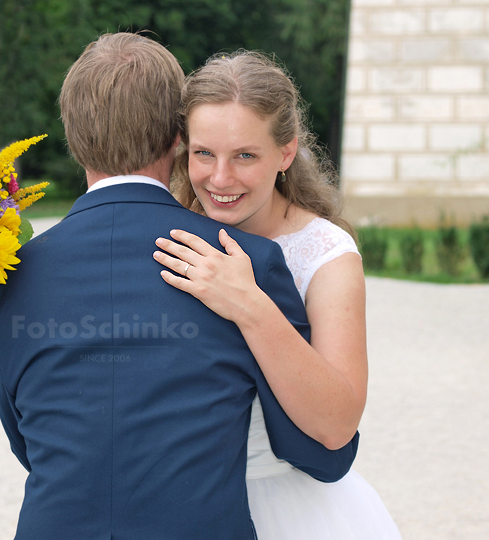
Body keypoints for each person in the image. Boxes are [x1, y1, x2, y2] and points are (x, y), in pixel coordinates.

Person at [0, 34, 358, 539]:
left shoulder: (3, 276)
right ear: (178, 139)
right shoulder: (246, 262)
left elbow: (30, 442)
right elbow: (320, 453)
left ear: (71, 136)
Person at [153, 51, 402, 539]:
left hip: (293, 508)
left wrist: (249, 304)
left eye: (245, 155)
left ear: (286, 153)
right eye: (204, 153)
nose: (220, 179)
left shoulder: (326, 254)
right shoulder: (167, 234)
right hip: (182, 504)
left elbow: (336, 425)